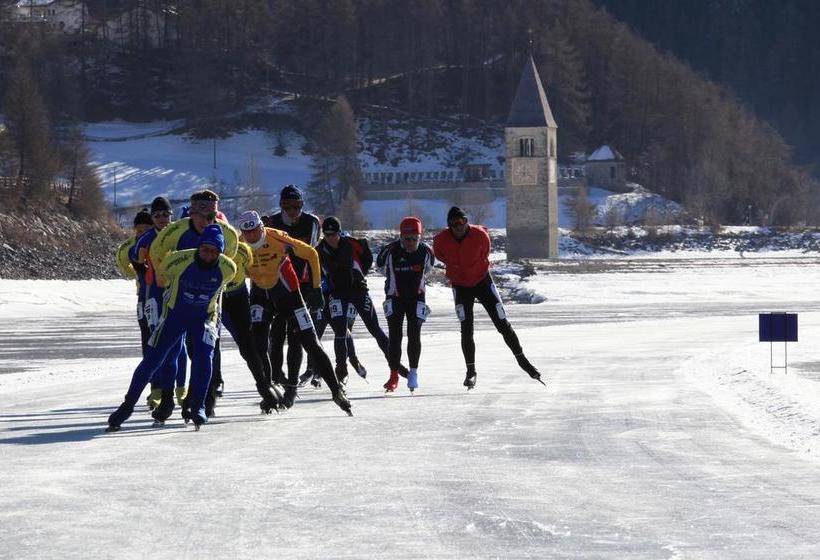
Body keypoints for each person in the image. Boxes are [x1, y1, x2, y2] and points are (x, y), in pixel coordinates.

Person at [106, 225, 237, 431]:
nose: (208, 255)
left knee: (204, 356)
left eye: (214, 252)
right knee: (152, 360)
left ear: (220, 253)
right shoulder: (178, 260)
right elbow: (161, 279)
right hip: (176, 315)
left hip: (205, 317)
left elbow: (225, 288)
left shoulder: (228, 268)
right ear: (198, 247)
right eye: (205, 249)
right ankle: (127, 406)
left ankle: (199, 405)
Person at [238, 210, 352, 416]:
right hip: (260, 294)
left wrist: (317, 288)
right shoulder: (238, 245)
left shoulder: (277, 238)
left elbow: (311, 254)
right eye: (247, 234)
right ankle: (270, 389)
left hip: (288, 293)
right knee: (259, 342)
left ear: (261, 228)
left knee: (310, 342)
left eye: (255, 231)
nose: (252, 237)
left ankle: (336, 390)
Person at [432, 206, 545, 389]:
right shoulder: (440, 241)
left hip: (482, 281)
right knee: (466, 328)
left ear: (466, 222)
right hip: (460, 286)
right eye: (454, 224)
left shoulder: (480, 235)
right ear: (449, 226)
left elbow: (485, 253)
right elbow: (441, 256)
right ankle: (471, 371)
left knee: (502, 322)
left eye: (461, 222)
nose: (458, 227)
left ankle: (523, 361)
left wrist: (472, 269)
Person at [149, 190, 239, 417]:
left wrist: (218, 285)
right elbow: (156, 250)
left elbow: (229, 261)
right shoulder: (177, 229)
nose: (205, 221)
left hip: (208, 301)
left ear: (216, 215)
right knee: (172, 348)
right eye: (200, 215)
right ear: (191, 212)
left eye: (211, 216)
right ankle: (168, 400)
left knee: (206, 350)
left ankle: (205, 401)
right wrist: (164, 275)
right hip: (179, 297)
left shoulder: (228, 234)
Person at [317, 216, 408, 385]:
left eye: (334, 235)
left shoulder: (352, 244)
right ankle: (341, 369)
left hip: (358, 290)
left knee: (374, 327)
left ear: (340, 233)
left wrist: (359, 276)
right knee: (340, 330)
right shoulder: (319, 250)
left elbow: (367, 259)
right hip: (337, 293)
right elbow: (317, 273)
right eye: (327, 235)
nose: (331, 239)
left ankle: (394, 363)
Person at [261, 185, 322, 406]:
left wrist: (316, 288)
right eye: (287, 207)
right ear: (281, 206)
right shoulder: (272, 223)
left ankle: (292, 386)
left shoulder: (312, 222)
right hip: (276, 285)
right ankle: (277, 377)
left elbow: (310, 252)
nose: (292, 211)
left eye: (296, 206)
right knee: (275, 336)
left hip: (301, 286)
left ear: (302, 205)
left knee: (296, 337)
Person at [131, 196, 187, 409]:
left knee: (178, 343)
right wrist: (143, 271)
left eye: (165, 214)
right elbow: (135, 258)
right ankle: (158, 389)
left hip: (177, 292)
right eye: (157, 215)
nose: (162, 218)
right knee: (156, 341)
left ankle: (181, 388)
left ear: (171, 216)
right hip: (154, 293)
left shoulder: (179, 233)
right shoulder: (146, 238)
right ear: (152, 217)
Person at [219, 239, 283, 412]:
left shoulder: (242, 249)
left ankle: (266, 386)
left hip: (238, 297)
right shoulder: (203, 246)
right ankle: (212, 387)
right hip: (214, 298)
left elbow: (253, 271)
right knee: (209, 345)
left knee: (248, 345)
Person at [376, 217, 436, 392]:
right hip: (394, 297)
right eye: (406, 239)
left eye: (414, 239)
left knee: (414, 333)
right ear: (400, 237)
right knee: (395, 336)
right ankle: (394, 375)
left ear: (420, 237)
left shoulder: (426, 252)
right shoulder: (389, 251)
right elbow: (380, 268)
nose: (410, 243)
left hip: (417, 297)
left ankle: (414, 373)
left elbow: (429, 268)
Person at [116, 208, 153, 355]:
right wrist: (136, 276)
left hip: (159, 294)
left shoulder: (159, 243)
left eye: (146, 229)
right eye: (139, 230)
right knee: (145, 332)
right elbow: (127, 266)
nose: (142, 232)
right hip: (143, 296)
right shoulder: (133, 248)